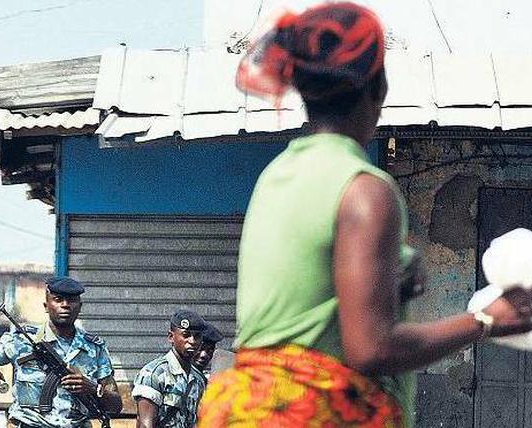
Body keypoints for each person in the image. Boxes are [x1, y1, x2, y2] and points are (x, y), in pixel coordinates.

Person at [198, 3, 532, 427]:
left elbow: (303, 304)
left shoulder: (278, 174)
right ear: (380, 86)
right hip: (312, 414)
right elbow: (371, 349)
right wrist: (486, 320)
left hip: (244, 410)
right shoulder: (365, 190)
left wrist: (394, 283)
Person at [0, 276, 123, 428]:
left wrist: (93, 388)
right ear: (46, 306)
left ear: (80, 307)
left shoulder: (94, 348)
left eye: (71, 300)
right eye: (58, 300)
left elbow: (116, 406)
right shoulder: (21, 339)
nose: (65, 305)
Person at [133, 310, 223, 428]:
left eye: (197, 336)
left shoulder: (198, 380)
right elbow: (145, 425)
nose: (192, 341)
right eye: (186, 335)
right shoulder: (154, 374)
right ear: (171, 337)